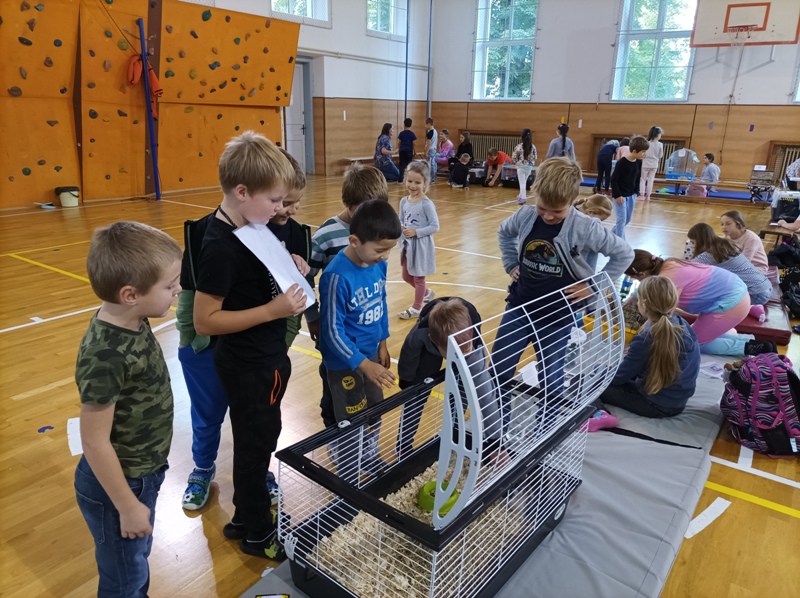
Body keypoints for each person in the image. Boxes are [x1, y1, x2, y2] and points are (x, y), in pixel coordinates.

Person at [193, 131, 306, 560]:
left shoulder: (247, 226)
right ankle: (259, 532)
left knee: (255, 440)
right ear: (242, 192)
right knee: (257, 446)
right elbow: (205, 320)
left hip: (256, 358)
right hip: (252, 363)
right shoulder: (221, 245)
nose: (279, 209)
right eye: (274, 200)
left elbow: (249, 281)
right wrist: (273, 310)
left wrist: (289, 264)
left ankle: (244, 517)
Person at [75, 221, 182, 596]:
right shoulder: (105, 354)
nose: (178, 290)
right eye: (170, 286)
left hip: (143, 472)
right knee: (124, 578)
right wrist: (127, 506)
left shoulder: (132, 316)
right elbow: (94, 441)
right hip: (119, 486)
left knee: (135, 559)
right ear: (130, 294)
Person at [494, 157, 634, 426]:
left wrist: (593, 286)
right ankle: (497, 430)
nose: (547, 216)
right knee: (499, 371)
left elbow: (624, 254)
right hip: (519, 308)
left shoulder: (586, 227)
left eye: (556, 211)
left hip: (558, 317)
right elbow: (504, 232)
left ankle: (546, 430)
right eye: (542, 208)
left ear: (571, 201)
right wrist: (511, 263)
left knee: (551, 378)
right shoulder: (526, 215)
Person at [319, 200, 401, 473]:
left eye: (389, 250)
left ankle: (368, 452)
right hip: (345, 363)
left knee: (375, 408)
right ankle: (348, 467)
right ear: (354, 241)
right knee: (352, 415)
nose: (385, 256)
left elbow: (381, 303)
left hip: (371, 357)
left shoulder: (378, 265)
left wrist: (383, 343)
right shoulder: (336, 277)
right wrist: (363, 364)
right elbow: (332, 332)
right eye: (380, 250)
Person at [308, 163, 390, 429]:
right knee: (336, 394)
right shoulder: (326, 236)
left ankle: (366, 443)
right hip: (338, 333)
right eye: (361, 209)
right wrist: (313, 316)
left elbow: (380, 297)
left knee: (368, 397)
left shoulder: (377, 240)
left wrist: (382, 342)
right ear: (347, 202)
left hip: (365, 338)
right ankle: (335, 433)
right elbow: (306, 276)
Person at [394, 298, 502, 459]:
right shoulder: (420, 333)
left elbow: (486, 395)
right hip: (430, 349)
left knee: (462, 392)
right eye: (456, 354)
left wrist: (495, 442)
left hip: (466, 346)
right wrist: (407, 380)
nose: (459, 357)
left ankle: (451, 434)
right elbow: (408, 354)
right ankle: (403, 445)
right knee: (416, 394)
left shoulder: (473, 343)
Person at [624, 250, 774, 356]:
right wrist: (632, 298)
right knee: (693, 335)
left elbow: (659, 316)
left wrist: (639, 344)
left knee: (689, 344)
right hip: (734, 293)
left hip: (731, 304)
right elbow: (650, 285)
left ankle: (752, 348)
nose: (638, 282)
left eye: (636, 279)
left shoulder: (668, 279)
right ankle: (752, 342)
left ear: (642, 274)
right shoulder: (667, 263)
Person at [600, 276, 700, 418]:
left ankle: (600, 415)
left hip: (655, 404)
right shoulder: (681, 323)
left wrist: (600, 371)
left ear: (644, 305)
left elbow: (618, 378)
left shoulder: (645, 339)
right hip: (677, 401)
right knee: (602, 373)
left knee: (590, 382)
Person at [268, 150, 315, 347]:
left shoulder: (298, 234)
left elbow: (303, 283)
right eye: (286, 203)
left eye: (298, 201)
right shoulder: (244, 232)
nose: (294, 209)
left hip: (283, 325)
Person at [687, 223, 771, 322]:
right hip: (765, 287)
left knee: (710, 302)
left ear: (700, 241)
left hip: (755, 294)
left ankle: (751, 308)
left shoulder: (709, 255)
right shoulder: (725, 245)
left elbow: (685, 269)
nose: (692, 246)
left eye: (693, 243)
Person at [398, 161, 440, 319]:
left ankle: (417, 308)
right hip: (407, 245)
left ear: (425, 183)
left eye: (417, 182)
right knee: (406, 276)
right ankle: (427, 293)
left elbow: (435, 226)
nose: (413, 185)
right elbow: (401, 220)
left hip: (421, 246)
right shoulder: (404, 201)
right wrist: (401, 227)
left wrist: (416, 232)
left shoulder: (426, 204)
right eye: (410, 181)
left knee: (419, 277)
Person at [610, 135, 649, 239]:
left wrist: (636, 192)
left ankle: (610, 235)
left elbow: (637, 178)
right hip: (620, 196)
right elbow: (613, 180)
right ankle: (620, 243)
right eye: (643, 152)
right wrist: (617, 195)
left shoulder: (639, 162)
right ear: (635, 151)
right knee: (621, 220)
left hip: (631, 195)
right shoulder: (622, 163)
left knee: (627, 220)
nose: (644, 154)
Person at [512, 128, 537, 205]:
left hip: (521, 167)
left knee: (522, 183)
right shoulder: (533, 147)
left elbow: (514, 157)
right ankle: (520, 195)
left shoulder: (518, 146)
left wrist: (516, 163)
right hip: (529, 167)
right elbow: (535, 157)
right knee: (524, 182)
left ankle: (523, 198)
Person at [639, 126, 663, 201]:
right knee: (651, 180)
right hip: (654, 164)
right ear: (657, 134)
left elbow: (643, 154)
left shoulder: (647, 143)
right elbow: (660, 156)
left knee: (643, 179)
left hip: (645, 163)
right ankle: (648, 196)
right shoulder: (660, 144)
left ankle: (642, 195)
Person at [397, 118, 417, 182]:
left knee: (401, 165)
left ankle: (400, 179)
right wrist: (415, 152)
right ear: (411, 125)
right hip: (409, 151)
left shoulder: (401, 133)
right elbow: (414, 144)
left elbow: (399, 143)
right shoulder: (412, 134)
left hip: (402, 150)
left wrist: (398, 150)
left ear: (404, 124)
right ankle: (409, 179)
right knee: (409, 165)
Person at [424, 117, 439, 183]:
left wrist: (426, 152)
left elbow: (429, 144)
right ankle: (433, 177)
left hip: (430, 149)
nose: (425, 126)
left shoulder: (430, 133)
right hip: (434, 149)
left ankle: (431, 178)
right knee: (433, 164)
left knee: (429, 164)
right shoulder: (435, 131)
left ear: (429, 124)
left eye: (426, 124)